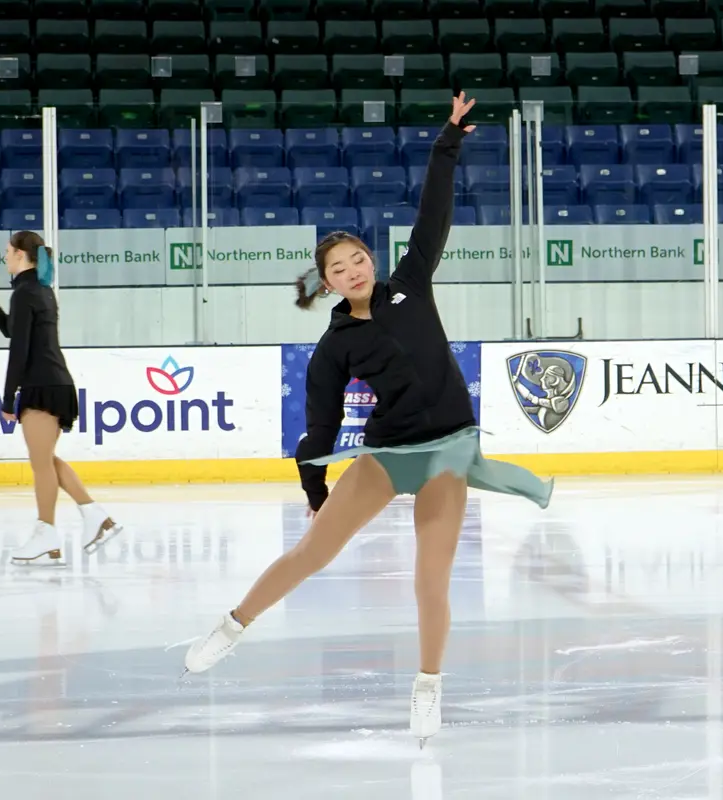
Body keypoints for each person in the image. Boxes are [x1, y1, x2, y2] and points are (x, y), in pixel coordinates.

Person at [182, 93, 554, 747]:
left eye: (356, 258)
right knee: (312, 552)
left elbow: (433, 213)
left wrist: (448, 141)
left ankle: (428, 687)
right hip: (387, 454)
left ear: (370, 260)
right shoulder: (333, 348)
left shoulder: (413, 279)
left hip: (446, 453)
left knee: (429, 577)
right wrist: (316, 492)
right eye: (337, 268)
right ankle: (233, 625)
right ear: (325, 282)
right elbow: (318, 431)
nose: (351, 270)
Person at [0, 230, 123, 564]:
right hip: (52, 382)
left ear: (19, 255)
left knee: (40, 463)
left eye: (6, 251)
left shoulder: (27, 293)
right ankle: (91, 515)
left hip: (42, 386)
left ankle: (48, 530)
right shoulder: (36, 290)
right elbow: (13, 330)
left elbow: (18, 350)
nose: (3, 257)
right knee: (46, 459)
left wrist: (7, 398)